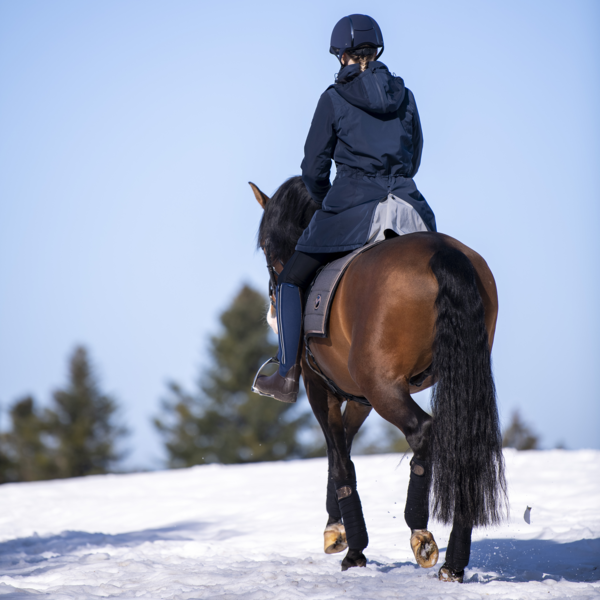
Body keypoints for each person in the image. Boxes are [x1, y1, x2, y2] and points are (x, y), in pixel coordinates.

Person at [254, 14, 436, 403]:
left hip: (353, 208)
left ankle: (287, 374)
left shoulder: (333, 99)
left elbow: (312, 168)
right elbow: (415, 157)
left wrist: (325, 202)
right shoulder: (405, 96)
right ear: (377, 50)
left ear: (341, 56)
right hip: (409, 208)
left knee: (289, 281)